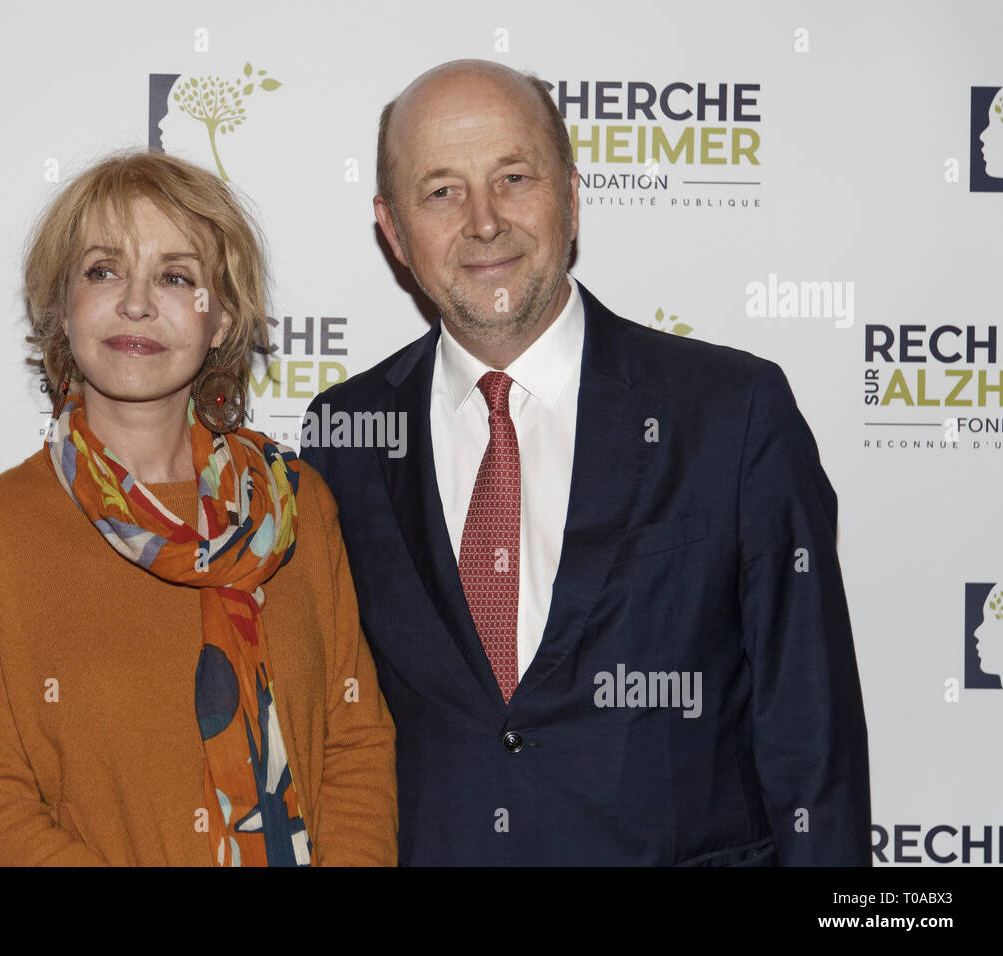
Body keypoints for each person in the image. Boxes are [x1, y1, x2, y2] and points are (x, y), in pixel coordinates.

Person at [301, 59, 871, 865]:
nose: (485, 221)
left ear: (570, 196)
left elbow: (812, 738)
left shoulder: (732, 412)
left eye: (513, 177)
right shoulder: (344, 437)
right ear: (392, 230)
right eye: (441, 191)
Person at [0, 150, 397, 866]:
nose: (136, 303)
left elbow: (355, 746)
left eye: (176, 277)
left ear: (222, 318)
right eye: (103, 271)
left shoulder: (294, 503)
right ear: (61, 306)